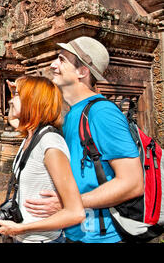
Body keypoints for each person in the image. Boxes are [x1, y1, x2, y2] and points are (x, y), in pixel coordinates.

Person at [23, 36, 144, 243]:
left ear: (82, 71)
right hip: (73, 232)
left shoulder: (102, 112)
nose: (53, 65)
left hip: (103, 236)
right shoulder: (70, 115)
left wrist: (71, 202)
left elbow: (133, 183)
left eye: (62, 60)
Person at [0, 76, 85, 243]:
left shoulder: (50, 142)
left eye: (17, 96)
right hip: (23, 238)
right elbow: (12, 118)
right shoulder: (31, 135)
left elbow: (75, 212)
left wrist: (21, 228)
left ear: (32, 100)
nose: (11, 101)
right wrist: (16, 93)